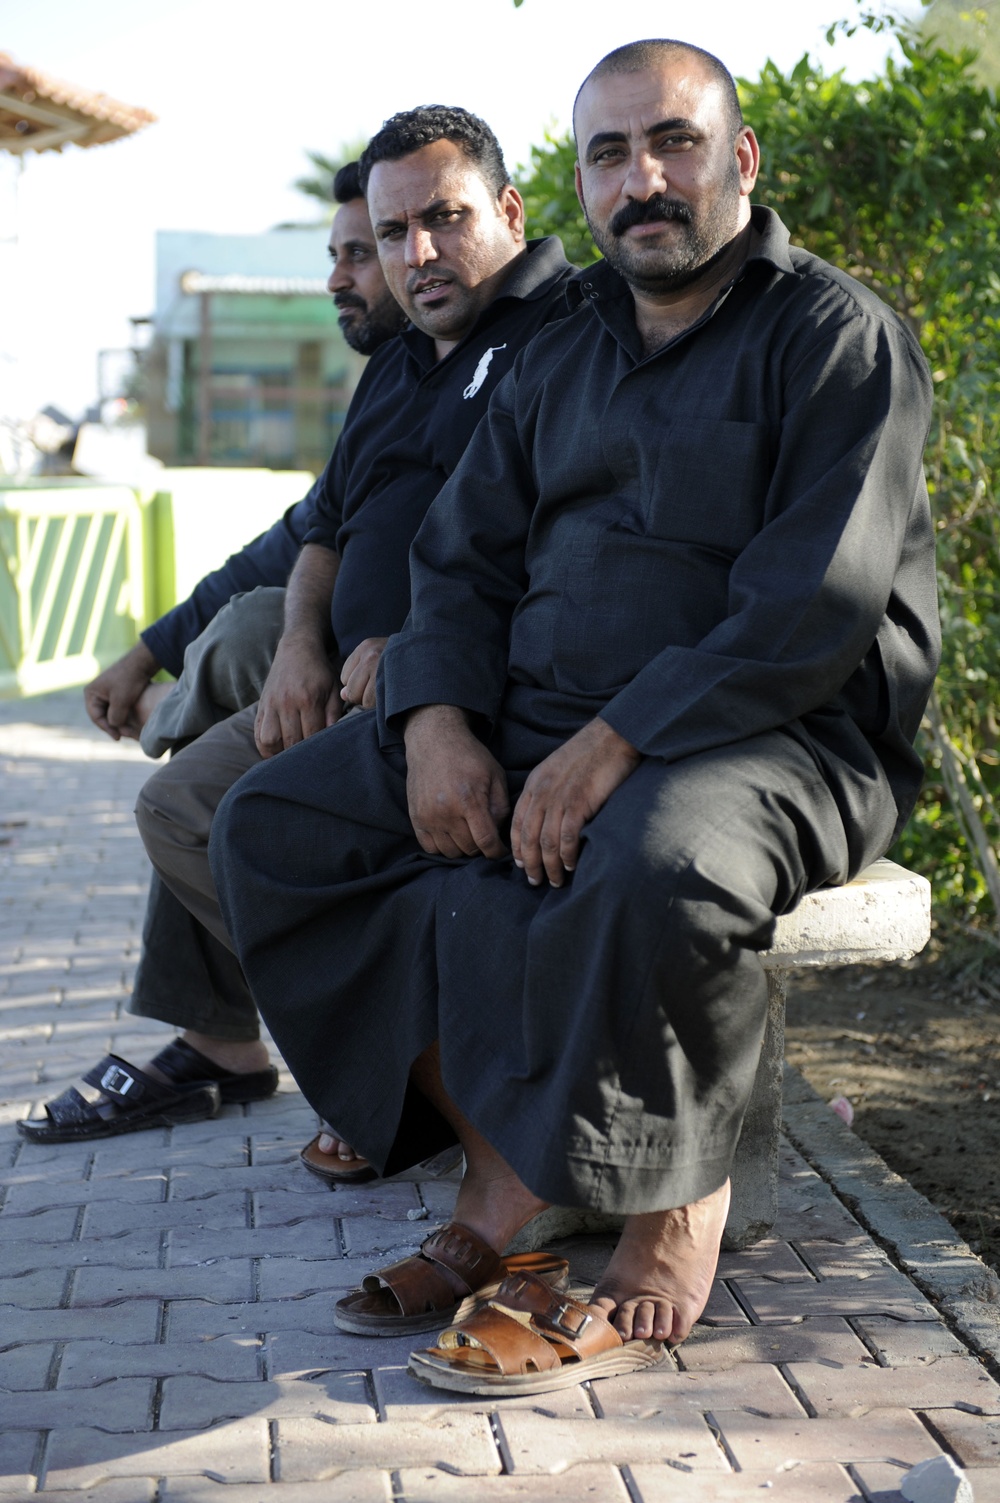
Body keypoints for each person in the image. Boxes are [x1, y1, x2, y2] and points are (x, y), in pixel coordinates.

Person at [208, 38, 940, 1390]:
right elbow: (463, 560)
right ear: (584, 182)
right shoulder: (564, 347)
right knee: (273, 826)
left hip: (775, 729)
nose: (641, 180)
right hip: (546, 713)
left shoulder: (835, 335)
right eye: (608, 153)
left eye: (670, 142)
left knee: (651, 855)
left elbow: (811, 604)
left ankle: (672, 1215)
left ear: (741, 159)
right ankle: (512, 1165)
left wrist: (614, 744)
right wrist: (437, 724)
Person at [19, 109, 574, 1169]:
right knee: (238, 661)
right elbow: (322, 525)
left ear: (506, 211)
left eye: (436, 223)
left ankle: (391, 1064)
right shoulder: (406, 359)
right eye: (380, 234)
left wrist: (414, 646)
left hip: (460, 691)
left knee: (208, 778)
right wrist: (294, 645)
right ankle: (286, 1042)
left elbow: (550, 531)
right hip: (360, 672)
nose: (406, 258)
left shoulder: (563, 334)